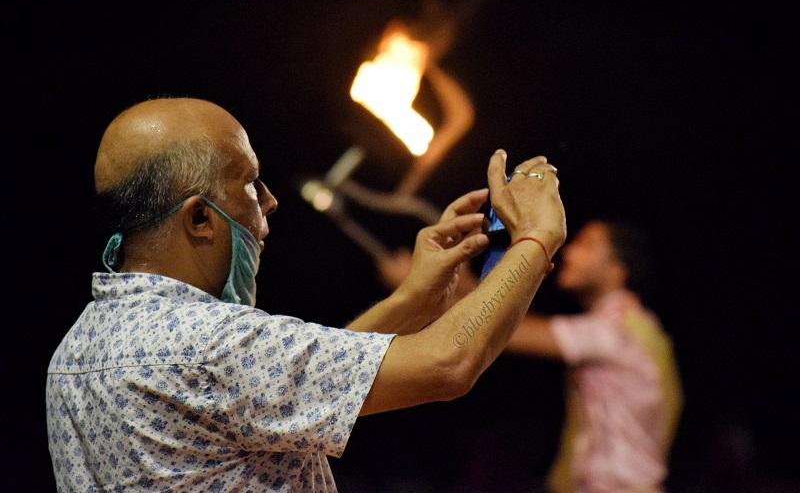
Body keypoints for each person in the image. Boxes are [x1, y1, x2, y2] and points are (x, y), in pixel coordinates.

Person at [46, 96, 566, 492]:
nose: (269, 202)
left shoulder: (74, 351)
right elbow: (449, 364)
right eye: (249, 183)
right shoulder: (208, 345)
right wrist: (536, 237)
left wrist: (412, 301)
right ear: (200, 217)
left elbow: (281, 386)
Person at [505, 217, 683, 493]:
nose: (569, 252)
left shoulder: (619, 330)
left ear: (616, 271)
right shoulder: (639, 327)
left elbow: (505, 333)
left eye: (587, 246)